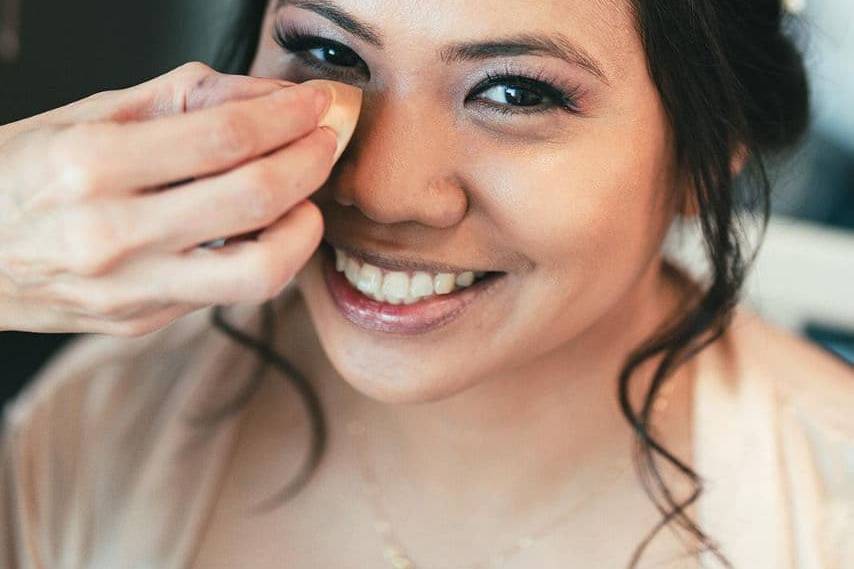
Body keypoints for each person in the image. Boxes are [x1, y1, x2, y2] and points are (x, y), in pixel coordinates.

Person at [1, 0, 852, 568]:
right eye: (329, 51)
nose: (379, 191)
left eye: (516, 91)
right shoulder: (106, 420)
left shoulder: (828, 508)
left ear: (711, 153)